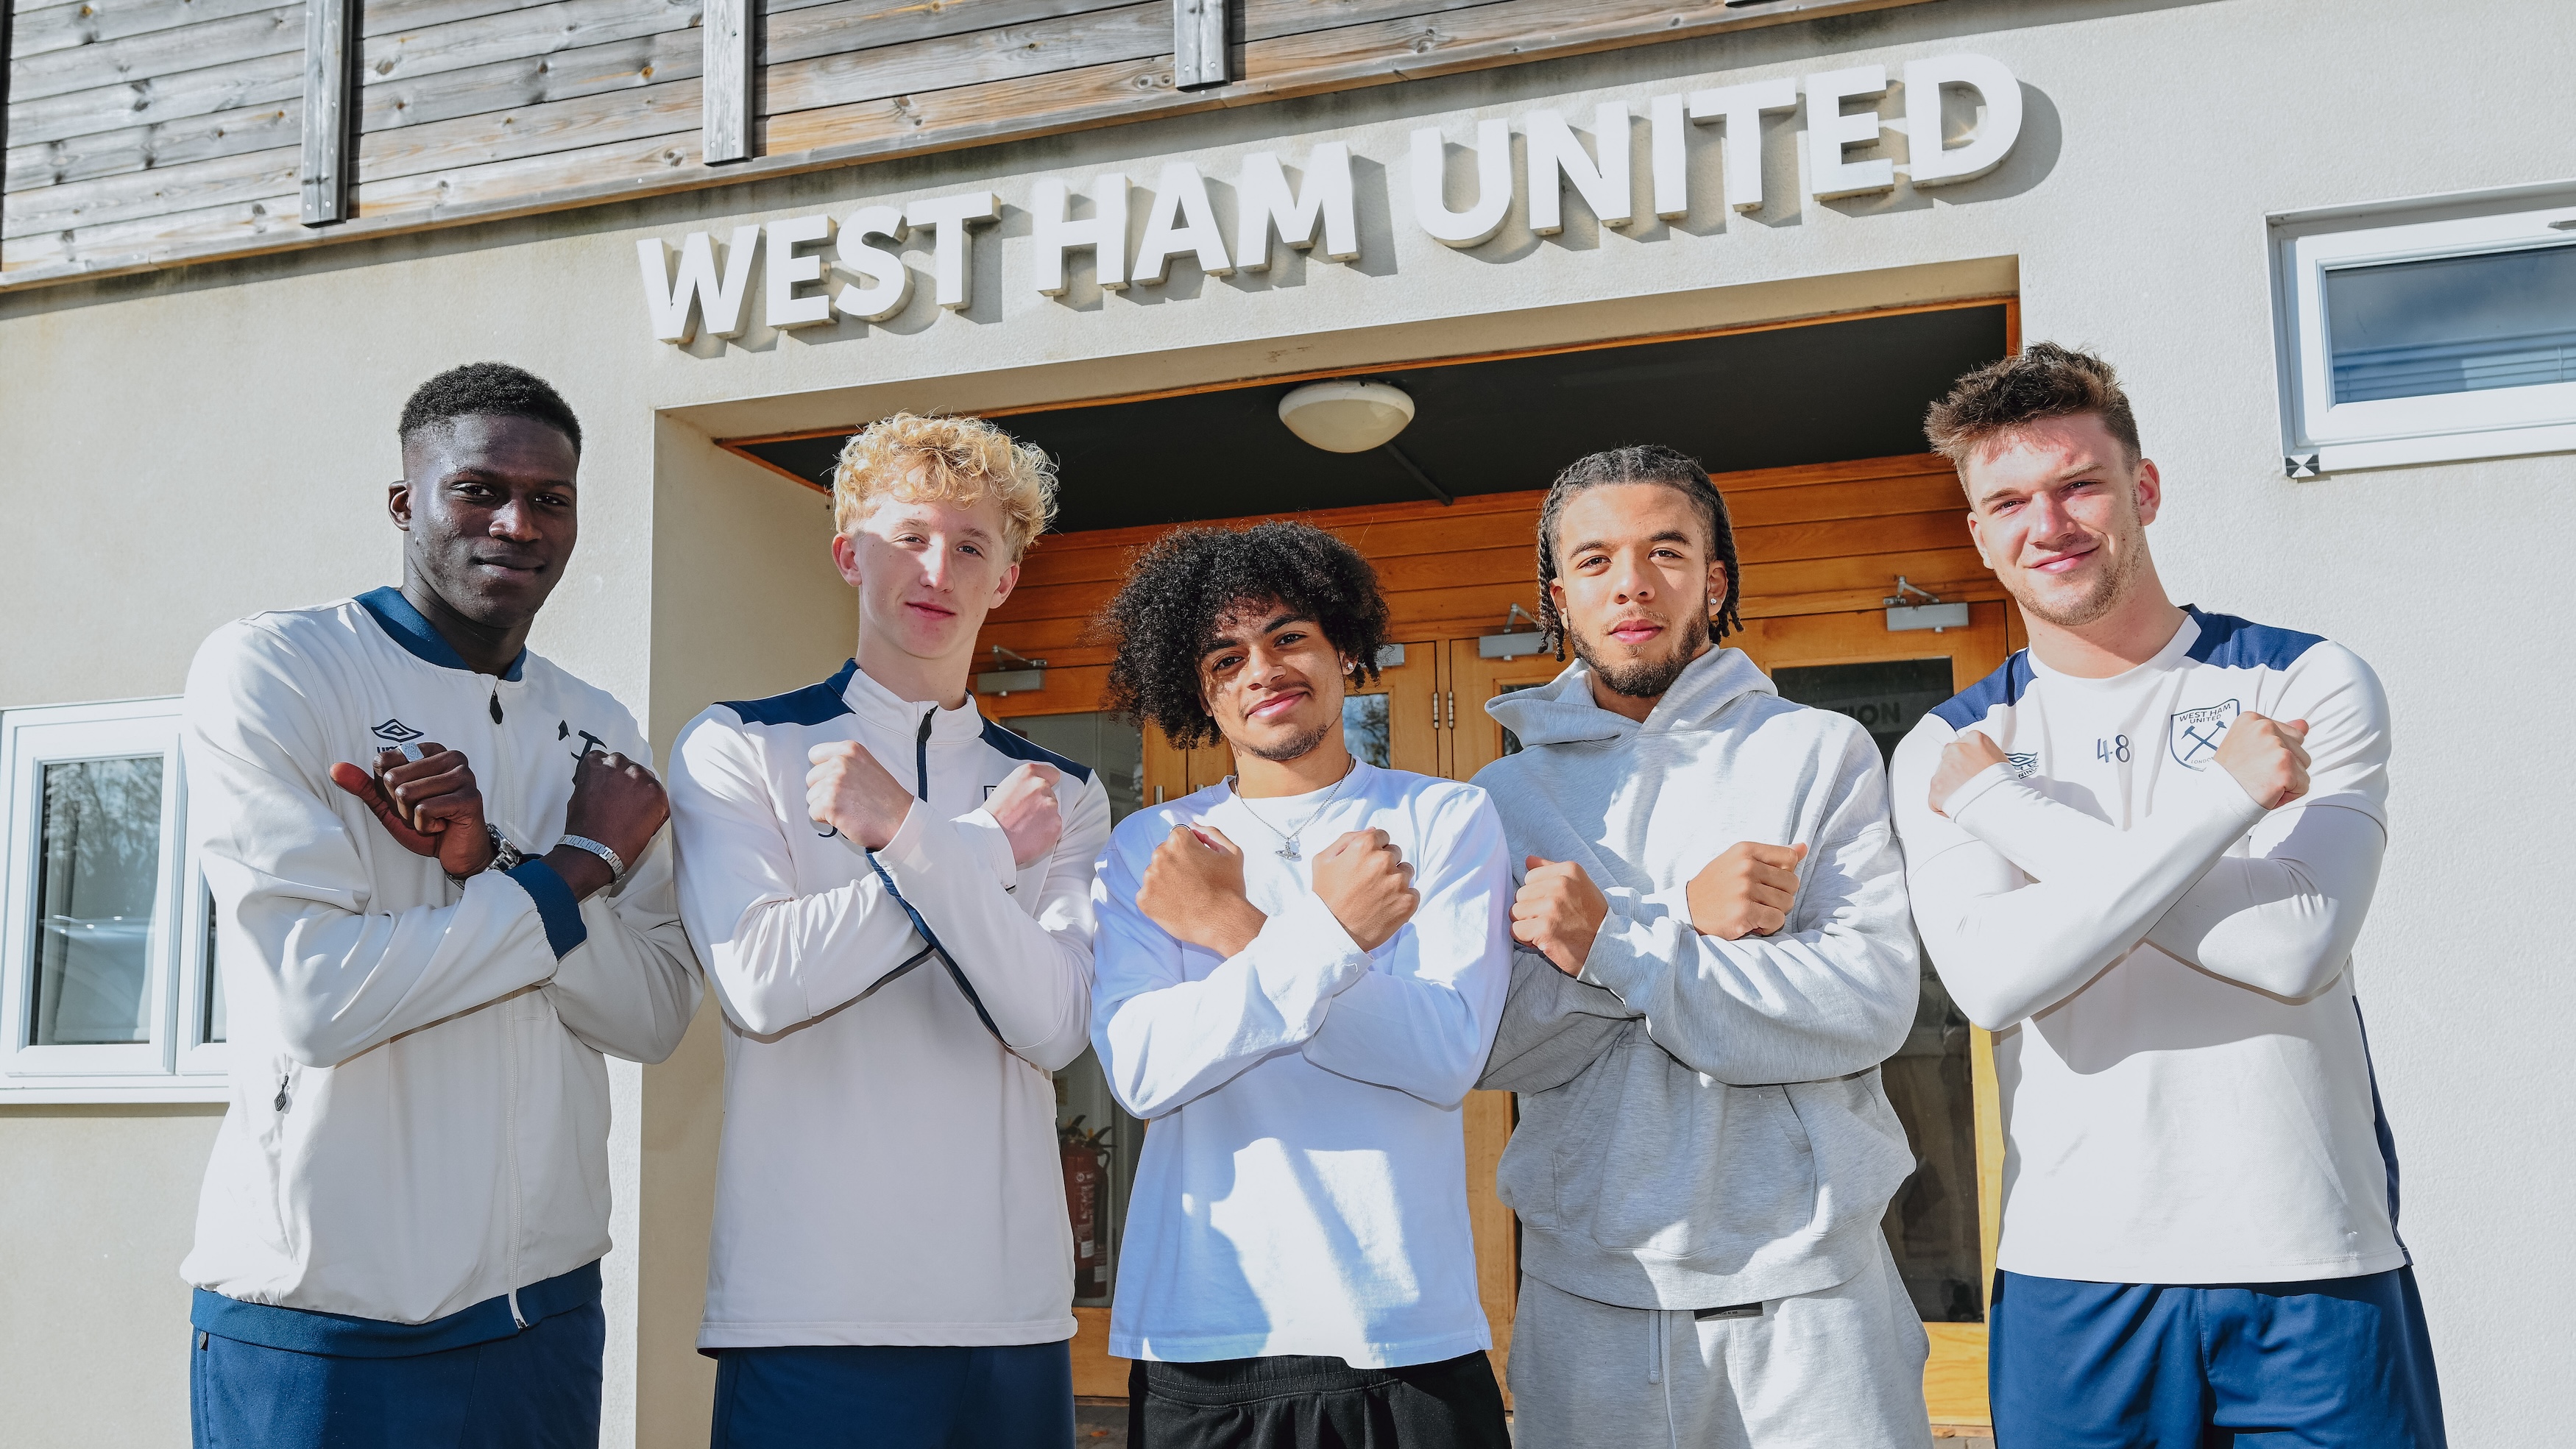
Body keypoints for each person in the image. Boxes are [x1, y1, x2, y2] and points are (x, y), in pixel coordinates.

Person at [1891, 344, 2446, 1447]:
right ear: (1979, 534)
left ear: (2141, 489)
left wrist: (2017, 819)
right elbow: (2001, 980)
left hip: (2310, 1255)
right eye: (2008, 501)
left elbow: (2297, 942)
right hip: (2078, 1271)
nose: (2047, 523)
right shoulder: (1952, 747)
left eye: (2077, 485)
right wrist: (2218, 810)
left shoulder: (2303, 681)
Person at [180, 362, 701, 1448]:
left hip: (540, 1308)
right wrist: (572, 867)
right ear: (404, 501)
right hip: (322, 1314)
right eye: (478, 489)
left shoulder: (594, 726)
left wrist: (507, 862)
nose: (517, 522)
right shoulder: (279, 668)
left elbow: (651, 1016)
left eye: (550, 498)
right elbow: (317, 999)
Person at [1470, 445, 1929, 1448]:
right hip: (1587, 1293)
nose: (1631, 583)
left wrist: (1610, 948)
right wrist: (1680, 918)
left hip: (1812, 1293)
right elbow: (1493, 1047)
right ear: (1559, 596)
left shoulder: (1816, 753)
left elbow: (1865, 1004)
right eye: (1594, 561)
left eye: (1666, 551)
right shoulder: (1501, 802)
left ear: (1714, 581)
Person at [665, 413, 1110, 1447]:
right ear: (847, 552)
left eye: (971, 546)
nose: (937, 569)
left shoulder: (1064, 793)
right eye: (909, 535)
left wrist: (909, 837)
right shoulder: (739, 745)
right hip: (808, 1307)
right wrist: (979, 853)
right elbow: (765, 982)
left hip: (1010, 1311)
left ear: (1005, 578)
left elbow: (1052, 1023)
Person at [1088, 522, 1514, 1448]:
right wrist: (1330, 938)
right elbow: (1147, 1071)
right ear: (1194, 688)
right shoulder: (1151, 848)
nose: (1261, 669)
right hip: (1204, 1328)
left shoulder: (1442, 818)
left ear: (1343, 649)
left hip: (1405, 1331)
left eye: (1288, 638)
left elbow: (1440, 1056)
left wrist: (1229, 929)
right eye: (1224, 655)